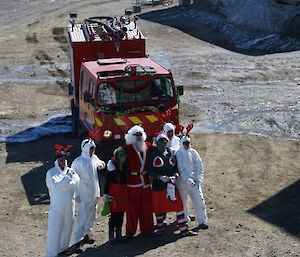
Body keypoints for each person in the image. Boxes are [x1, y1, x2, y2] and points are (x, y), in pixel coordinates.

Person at [108, 125, 154, 237]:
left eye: (140, 135)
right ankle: (130, 232)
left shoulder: (148, 146)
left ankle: (147, 230)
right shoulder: (127, 149)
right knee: (132, 209)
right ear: (131, 136)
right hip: (132, 183)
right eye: (136, 135)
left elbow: (159, 151)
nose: (138, 137)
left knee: (146, 208)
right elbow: (117, 156)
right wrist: (112, 162)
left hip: (145, 183)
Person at [149, 134, 197, 236]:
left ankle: (184, 229)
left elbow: (175, 167)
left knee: (178, 206)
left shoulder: (170, 152)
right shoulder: (153, 154)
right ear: (156, 143)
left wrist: (175, 174)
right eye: (161, 141)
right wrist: (160, 177)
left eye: (165, 141)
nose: (163, 143)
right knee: (159, 208)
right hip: (158, 187)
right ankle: (160, 227)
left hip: (171, 185)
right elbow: (149, 172)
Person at [70, 139, 106, 252]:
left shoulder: (94, 158)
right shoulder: (78, 162)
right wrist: (76, 195)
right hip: (83, 194)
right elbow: (72, 180)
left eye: (94, 148)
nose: (93, 150)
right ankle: (77, 241)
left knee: (91, 215)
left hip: (94, 192)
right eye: (91, 148)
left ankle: (86, 235)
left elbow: (101, 164)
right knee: (82, 217)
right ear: (85, 149)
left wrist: (102, 165)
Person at [45, 144, 80, 257]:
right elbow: (55, 185)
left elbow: (76, 182)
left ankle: (62, 249)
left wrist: (64, 183)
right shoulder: (51, 173)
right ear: (56, 161)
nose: (62, 162)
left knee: (67, 228)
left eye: (64, 159)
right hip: (57, 207)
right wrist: (67, 180)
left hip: (70, 205)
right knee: (54, 230)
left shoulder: (70, 171)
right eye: (60, 159)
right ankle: (51, 254)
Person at [176, 136, 209, 230]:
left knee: (199, 201)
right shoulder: (178, 154)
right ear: (181, 143)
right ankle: (184, 220)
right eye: (184, 143)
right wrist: (187, 180)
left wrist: (199, 178)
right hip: (183, 183)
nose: (186, 145)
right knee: (183, 203)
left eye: (188, 143)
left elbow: (199, 165)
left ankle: (202, 221)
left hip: (194, 182)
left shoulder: (193, 152)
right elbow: (180, 169)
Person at [104, 147, 128, 244]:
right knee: (114, 215)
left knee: (121, 214)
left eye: (124, 156)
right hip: (113, 193)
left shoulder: (125, 166)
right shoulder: (112, 167)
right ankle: (111, 236)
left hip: (122, 193)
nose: (123, 158)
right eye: (121, 156)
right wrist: (105, 193)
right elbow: (107, 181)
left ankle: (119, 234)